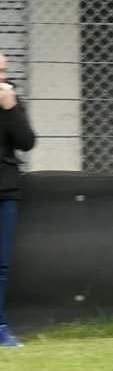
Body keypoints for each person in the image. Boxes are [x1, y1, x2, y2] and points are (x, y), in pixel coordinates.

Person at [0, 51, 33, 349]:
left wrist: (11, 109)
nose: (3, 77)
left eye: (4, 71)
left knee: (2, 265)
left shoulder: (10, 101)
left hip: (5, 192)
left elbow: (27, 142)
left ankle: (0, 328)